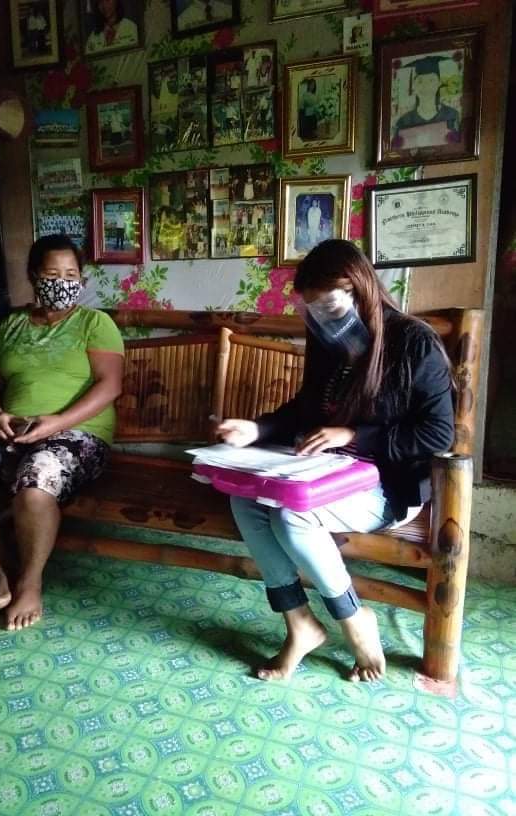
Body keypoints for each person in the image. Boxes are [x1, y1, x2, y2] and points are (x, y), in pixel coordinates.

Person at [217, 239, 454, 682]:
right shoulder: (329, 338)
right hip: (327, 473)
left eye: (329, 306)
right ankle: (300, 624)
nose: (323, 319)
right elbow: (304, 409)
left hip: (390, 485)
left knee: (291, 515)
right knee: (245, 499)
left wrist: (355, 435)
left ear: (359, 290)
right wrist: (257, 430)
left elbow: (438, 434)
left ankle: (354, 619)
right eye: (313, 310)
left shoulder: (413, 343)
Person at [0, 234, 124, 631]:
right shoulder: (13, 324)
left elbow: (110, 386)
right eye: (52, 274)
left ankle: (30, 583)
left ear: (82, 280)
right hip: (11, 431)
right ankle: (4, 571)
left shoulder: (95, 323)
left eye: (70, 275)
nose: (62, 282)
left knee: (36, 480)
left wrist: (56, 423)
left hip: (76, 433)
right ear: (34, 276)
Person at [392, 55, 460, 148]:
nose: (426, 86)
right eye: (420, 81)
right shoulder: (403, 121)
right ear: (413, 86)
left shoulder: (451, 115)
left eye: (431, 80)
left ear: (439, 83)